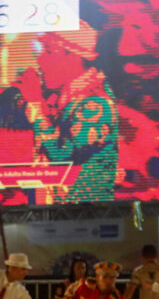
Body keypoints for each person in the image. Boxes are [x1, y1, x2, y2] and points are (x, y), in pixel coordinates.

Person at [14, 27, 118, 204]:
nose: (39, 59)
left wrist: (37, 102)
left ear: (74, 57)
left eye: (49, 51)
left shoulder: (96, 103)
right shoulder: (61, 96)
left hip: (85, 211)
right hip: (56, 209)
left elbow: (62, 156)